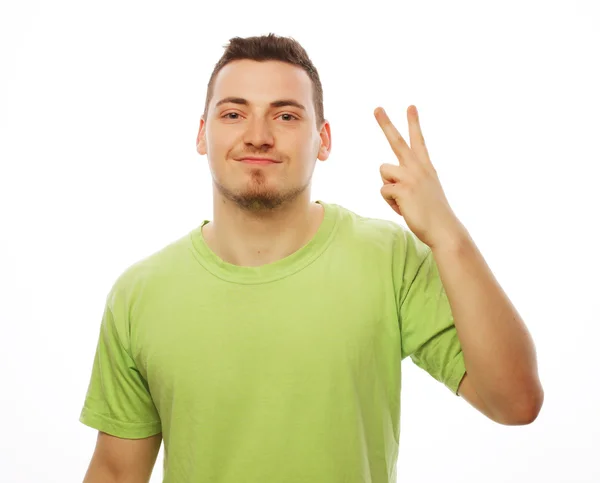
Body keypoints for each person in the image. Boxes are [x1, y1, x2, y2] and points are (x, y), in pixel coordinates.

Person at [80, 33, 542, 483]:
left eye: (285, 116)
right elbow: (117, 471)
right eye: (234, 113)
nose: (257, 136)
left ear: (324, 140)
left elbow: (516, 402)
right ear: (203, 134)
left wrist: (448, 234)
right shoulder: (140, 293)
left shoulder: (389, 259)